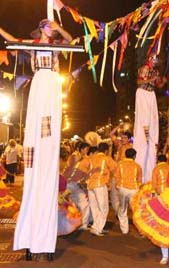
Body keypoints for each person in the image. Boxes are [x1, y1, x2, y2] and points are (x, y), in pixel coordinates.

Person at [0, 19, 72, 259]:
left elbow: (71, 41)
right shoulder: (33, 45)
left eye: (50, 27)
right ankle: (31, 243)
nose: (50, 30)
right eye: (47, 27)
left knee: (49, 126)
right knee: (36, 124)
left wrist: (58, 27)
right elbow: (12, 41)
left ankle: (48, 143)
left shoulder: (57, 47)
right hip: (39, 81)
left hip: (51, 82)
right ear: (41, 29)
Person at [133, 55, 166, 183]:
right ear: (149, 60)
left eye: (157, 60)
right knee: (144, 121)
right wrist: (151, 78)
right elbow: (139, 82)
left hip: (151, 95)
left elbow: (157, 86)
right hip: (142, 93)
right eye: (154, 59)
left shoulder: (156, 71)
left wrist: (162, 81)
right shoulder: (144, 69)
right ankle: (143, 136)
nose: (156, 61)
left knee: (153, 120)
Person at [79, 142, 117, 236]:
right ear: (106, 150)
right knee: (103, 208)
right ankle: (97, 228)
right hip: (100, 184)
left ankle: (96, 226)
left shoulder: (91, 158)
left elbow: (81, 167)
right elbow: (115, 169)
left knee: (94, 207)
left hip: (90, 185)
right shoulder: (106, 158)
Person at [63, 142, 91, 230]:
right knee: (66, 205)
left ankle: (83, 224)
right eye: (86, 149)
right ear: (81, 149)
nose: (87, 151)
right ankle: (66, 224)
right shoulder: (75, 156)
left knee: (84, 204)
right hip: (68, 184)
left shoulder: (86, 159)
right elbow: (69, 167)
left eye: (88, 149)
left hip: (76, 185)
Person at [115, 148, 142, 234]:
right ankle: (140, 230)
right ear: (134, 156)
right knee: (136, 210)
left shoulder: (120, 164)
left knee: (122, 209)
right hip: (134, 189)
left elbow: (116, 177)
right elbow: (139, 180)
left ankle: (124, 230)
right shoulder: (137, 166)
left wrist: (118, 186)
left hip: (123, 189)